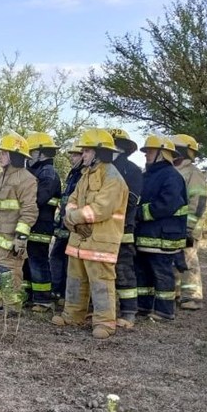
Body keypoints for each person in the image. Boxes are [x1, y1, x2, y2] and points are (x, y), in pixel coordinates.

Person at [52, 129, 129, 339]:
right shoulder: (85, 175)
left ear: (99, 152)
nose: (82, 154)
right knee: (75, 279)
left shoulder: (113, 177)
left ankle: (105, 323)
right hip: (79, 239)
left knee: (101, 282)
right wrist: (71, 219)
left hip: (101, 242)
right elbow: (72, 200)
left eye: (86, 151)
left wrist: (73, 218)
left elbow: (101, 208)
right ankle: (72, 315)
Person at [0, 132, 38, 316]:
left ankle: (11, 309)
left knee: (9, 274)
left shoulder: (27, 179)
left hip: (10, 239)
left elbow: (29, 211)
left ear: (16, 155)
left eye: (4, 153)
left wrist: (20, 238)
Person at [134, 135, 188, 322]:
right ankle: (144, 307)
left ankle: (165, 312)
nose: (146, 155)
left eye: (150, 151)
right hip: (146, 236)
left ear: (163, 153)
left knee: (162, 274)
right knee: (143, 273)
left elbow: (166, 204)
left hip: (164, 236)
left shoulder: (172, 176)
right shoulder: (146, 175)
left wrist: (138, 213)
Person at [22, 132, 62, 311]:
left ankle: (43, 299)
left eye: (31, 152)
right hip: (32, 223)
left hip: (41, 225)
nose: (28, 156)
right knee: (27, 260)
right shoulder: (35, 171)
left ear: (41, 152)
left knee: (38, 261)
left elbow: (40, 198)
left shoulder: (48, 173)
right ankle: (29, 295)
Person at [109, 128, 144, 327]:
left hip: (123, 230)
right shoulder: (97, 169)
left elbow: (131, 201)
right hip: (100, 231)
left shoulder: (131, 171)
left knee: (123, 269)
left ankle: (129, 311)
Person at [172, 134, 207, 311]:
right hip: (173, 227)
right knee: (174, 261)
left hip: (188, 228)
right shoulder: (173, 170)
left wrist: (188, 226)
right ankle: (177, 294)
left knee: (188, 260)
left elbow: (198, 202)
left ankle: (192, 297)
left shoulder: (193, 173)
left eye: (175, 148)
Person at [50, 145, 84, 305]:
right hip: (65, 224)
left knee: (66, 260)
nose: (72, 158)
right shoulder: (74, 173)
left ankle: (62, 293)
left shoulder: (84, 174)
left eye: (76, 155)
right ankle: (58, 291)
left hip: (74, 226)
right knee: (58, 256)